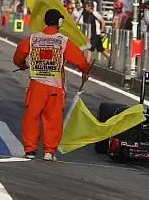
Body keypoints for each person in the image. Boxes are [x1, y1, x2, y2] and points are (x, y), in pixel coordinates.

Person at [13, 9, 91, 161]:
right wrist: (86, 69)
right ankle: (49, 152)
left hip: (36, 85)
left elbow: (18, 55)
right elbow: (80, 60)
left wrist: (21, 64)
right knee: (53, 119)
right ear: (60, 23)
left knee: (32, 117)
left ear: (45, 21)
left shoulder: (33, 39)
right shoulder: (63, 40)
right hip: (55, 87)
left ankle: (30, 150)